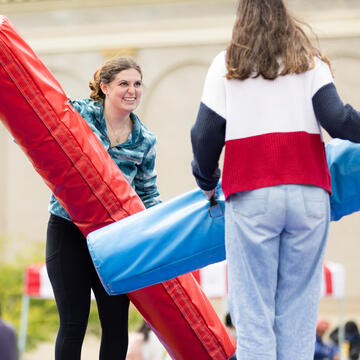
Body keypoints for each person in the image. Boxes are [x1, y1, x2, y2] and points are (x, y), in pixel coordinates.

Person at [190, 0, 360, 359]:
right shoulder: (309, 62)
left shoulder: (226, 65)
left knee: (254, 320)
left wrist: (207, 182)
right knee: (297, 321)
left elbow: (205, 136)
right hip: (310, 195)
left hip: (251, 195)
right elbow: (339, 120)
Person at [46, 56, 161, 360]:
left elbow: (148, 192)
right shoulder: (81, 113)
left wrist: (160, 232)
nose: (132, 90)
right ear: (105, 87)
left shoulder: (145, 139)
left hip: (114, 238)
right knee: (73, 323)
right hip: (68, 229)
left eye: (137, 84)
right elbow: (43, 124)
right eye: (124, 83)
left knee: (115, 324)